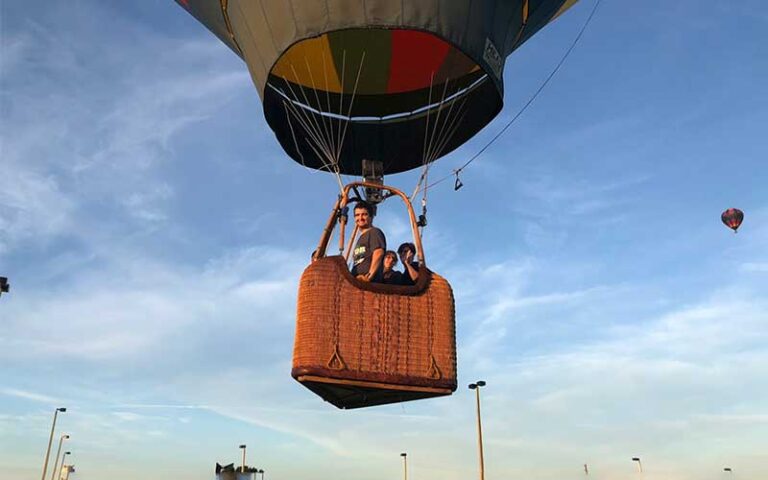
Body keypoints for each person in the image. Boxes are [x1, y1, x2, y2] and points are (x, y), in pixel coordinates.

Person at [350, 202, 386, 282]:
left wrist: (369, 276)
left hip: (369, 284)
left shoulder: (374, 232)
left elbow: (378, 253)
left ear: (371, 217)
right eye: (357, 215)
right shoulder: (361, 237)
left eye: (364, 214)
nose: (360, 218)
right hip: (358, 282)